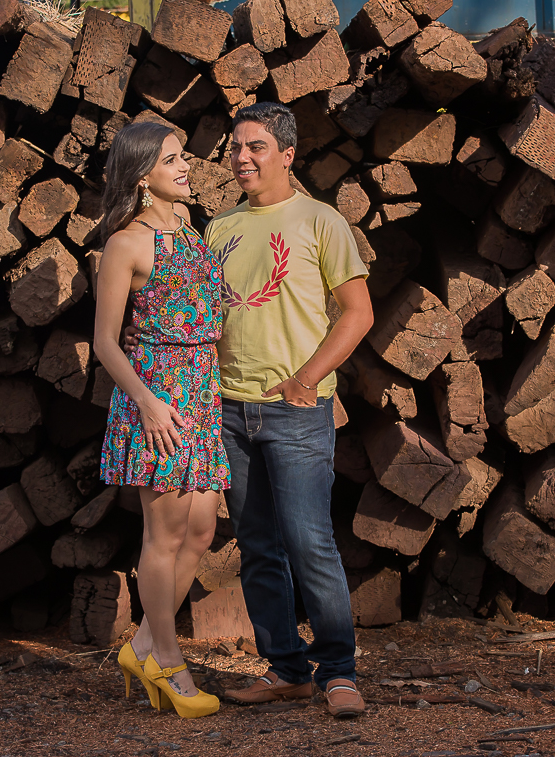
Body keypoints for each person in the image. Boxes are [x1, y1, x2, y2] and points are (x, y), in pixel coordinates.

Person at [129, 102, 374, 717]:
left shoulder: (322, 223)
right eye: (236, 147)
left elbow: (358, 312)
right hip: (228, 412)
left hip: (296, 410)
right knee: (258, 545)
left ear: (288, 154)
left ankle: (338, 672)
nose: (242, 157)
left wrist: (308, 377)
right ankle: (286, 668)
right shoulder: (218, 228)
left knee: (309, 539)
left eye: (257, 146)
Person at [95, 121, 227, 720]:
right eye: (171, 160)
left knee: (200, 530)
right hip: (158, 401)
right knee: (164, 534)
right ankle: (170, 663)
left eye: (184, 157)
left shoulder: (196, 235)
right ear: (142, 174)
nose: (186, 167)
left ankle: (143, 644)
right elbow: (104, 342)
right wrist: (147, 401)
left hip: (200, 392)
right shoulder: (126, 242)